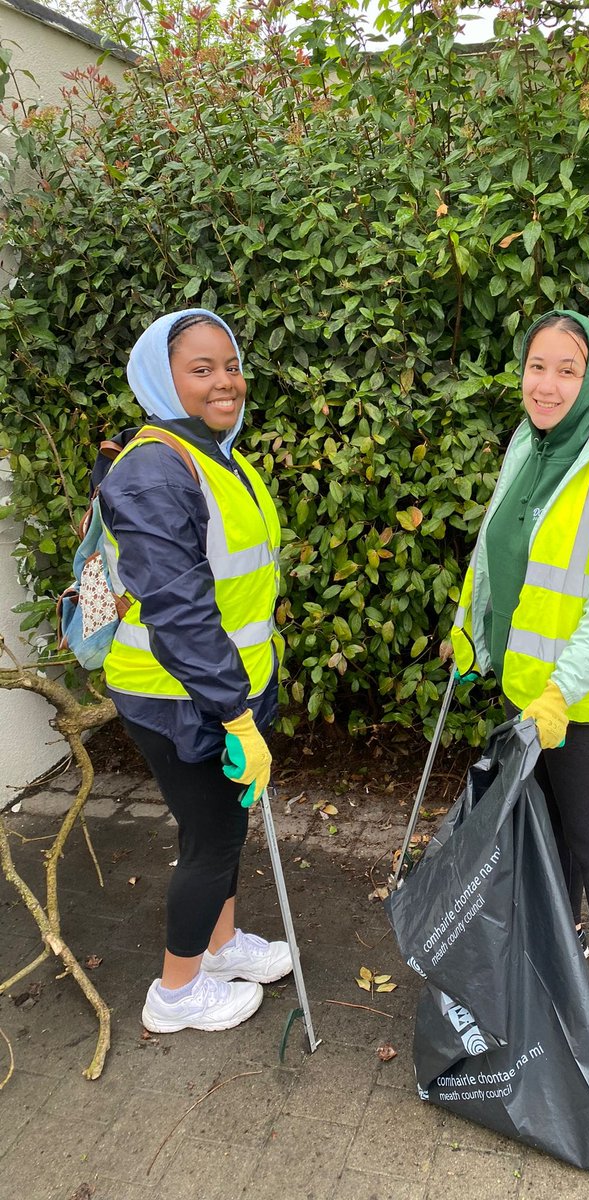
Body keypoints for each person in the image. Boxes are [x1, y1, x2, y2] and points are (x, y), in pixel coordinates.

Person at [450, 309, 589, 1046]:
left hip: (579, 697)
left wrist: (560, 692)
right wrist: (468, 623)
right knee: (547, 840)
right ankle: (565, 953)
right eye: (536, 366)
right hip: (525, 688)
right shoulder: (529, 445)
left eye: (566, 370)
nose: (547, 385)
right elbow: (494, 547)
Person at [98, 309, 291, 1034]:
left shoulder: (210, 452)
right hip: (179, 695)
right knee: (211, 837)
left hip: (220, 685)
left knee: (221, 828)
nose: (225, 382)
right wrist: (234, 712)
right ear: (162, 379)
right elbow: (178, 609)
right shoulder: (154, 468)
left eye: (230, 366)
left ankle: (220, 946)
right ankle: (175, 993)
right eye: (201, 370)